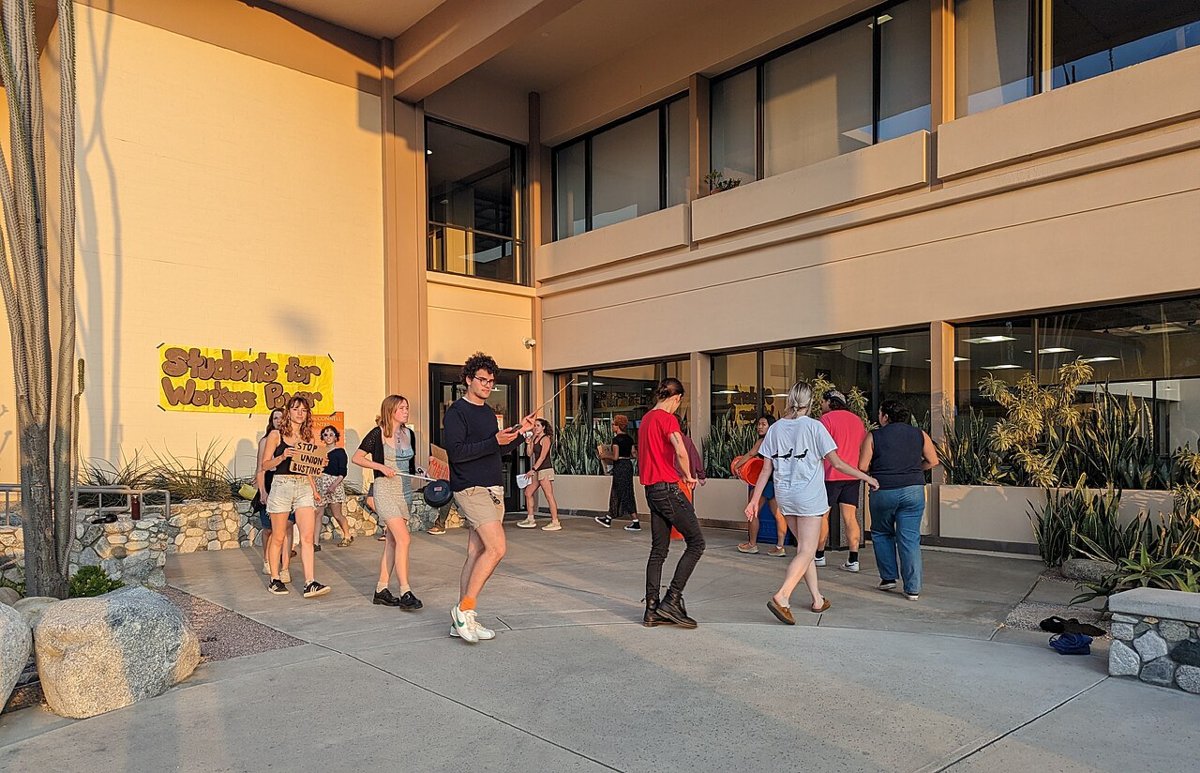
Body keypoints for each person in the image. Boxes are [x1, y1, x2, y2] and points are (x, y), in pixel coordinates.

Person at [746, 380, 878, 625]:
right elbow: (837, 463)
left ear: (790, 401)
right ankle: (783, 596)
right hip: (809, 496)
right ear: (810, 402)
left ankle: (817, 598)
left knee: (804, 550)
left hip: (785, 495)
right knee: (808, 550)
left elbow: (765, 470)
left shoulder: (775, 429)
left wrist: (754, 500)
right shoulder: (815, 427)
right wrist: (866, 477)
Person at [444, 352, 535, 644]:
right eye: (482, 380)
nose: (487, 385)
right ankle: (464, 609)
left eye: (491, 381)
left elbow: (496, 449)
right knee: (497, 549)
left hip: (493, 489)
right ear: (468, 380)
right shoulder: (457, 412)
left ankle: (463, 617)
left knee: (476, 552)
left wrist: (521, 433)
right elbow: (457, 453)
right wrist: (493, 441)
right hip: (471, 488)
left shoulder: (486, 413)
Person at [639, 378, 705, 629]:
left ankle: (651, 609)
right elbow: (680, 448)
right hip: (668, 488)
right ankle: (672, 599)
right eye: (679, 402)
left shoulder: (646, 419)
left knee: (658, 550)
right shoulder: (667, 419)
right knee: (697, 542)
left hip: (651, 491)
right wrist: (688, 476)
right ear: (676, 398)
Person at [859, 400, 939, 601]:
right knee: (909, 538)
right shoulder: (920, 434)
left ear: (885, 416)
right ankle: (913, 589)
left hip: (883, 489)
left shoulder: (874, 435)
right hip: (913, 490)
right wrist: (914, 470)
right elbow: (933, 461)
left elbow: (862, 466)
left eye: (880, 413)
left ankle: (888, 578)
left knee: (881, 532)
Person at [353, 395, 423, 610]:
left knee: (393, 542)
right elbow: (357, 457)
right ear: (390, 410)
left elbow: (410, 465)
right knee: (404, 539)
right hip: (384, 489)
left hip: (404, 491)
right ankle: (405, 591)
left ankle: (381, 589)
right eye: (401, 408)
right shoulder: (378, 433)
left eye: (407, 407)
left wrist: (420, 472)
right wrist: (381, 467)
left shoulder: (409, 434)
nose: (406, 411)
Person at [260, 395, 330, 598]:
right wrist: (282, 456)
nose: (300, 413)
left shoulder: (308, 438)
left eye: (303, 410)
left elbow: (308, 468)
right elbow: (265, 464)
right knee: (278, 535)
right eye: (296, 409)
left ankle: (310, 582)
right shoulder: (276, 435)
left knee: (307, 536)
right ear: (288, 411)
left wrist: (315, 484)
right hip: (282, 484)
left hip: (303, 487)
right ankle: (275, 578)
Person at [817, 390, 868, 572]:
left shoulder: (826, 420)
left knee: (823, 515)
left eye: (823, 401)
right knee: (850, 517)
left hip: (830, 474)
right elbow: (862, 445)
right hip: (852, 475)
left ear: (830, 402)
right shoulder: (857, 420)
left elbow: (819, 446)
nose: (821, 404)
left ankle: (819, 555)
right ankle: (853, 559)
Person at [733, 415, 787, 557]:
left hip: (764, 482)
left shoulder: (763, 441)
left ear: (771, 426)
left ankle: (752, 544)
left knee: (752, 511)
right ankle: (780, 546)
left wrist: (736, 466)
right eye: (759, 424)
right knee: (778, 514)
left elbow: (751, 454)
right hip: (777, 480)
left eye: (763, 424)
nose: (759, 427)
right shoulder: (781, 440)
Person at [252, 408, 292, 582]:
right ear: (271, 421)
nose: (278, 420)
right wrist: (262, 491)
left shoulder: (291, 438)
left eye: (281, 417)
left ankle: (285, 567)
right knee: (268, 529)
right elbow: (261, 467)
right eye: (275, 418)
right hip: (269, 483)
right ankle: (267, 559)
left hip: (287, 485)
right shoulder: (266, 440)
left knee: (287, 527)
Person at [595, 414, 640, 530]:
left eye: (613, 424)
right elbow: (634, 454)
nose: (612, 427)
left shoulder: (616, 439)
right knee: (627, 491)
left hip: (620, 467)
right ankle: (612, 518)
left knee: (617, 491)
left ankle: (610, 518)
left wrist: (604, 455)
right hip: (628, 466)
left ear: (617, 426)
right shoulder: (629, 438)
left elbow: (615, 456)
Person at [518, 419, 563, 531]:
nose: (535, 427)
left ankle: (555, 521)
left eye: (538, 425)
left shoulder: (545, 439)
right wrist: (528, 443)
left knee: (548, 495)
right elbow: (529, 454)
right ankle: (530, 519)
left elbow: (543, 457)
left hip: (545, 469)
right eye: (534, 425)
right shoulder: (535, 438)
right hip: (537, 470)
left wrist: (533, 469)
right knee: (528, 492)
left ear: (543, 427)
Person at [315, 425, 353, 548]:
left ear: (336, 437)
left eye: (331, 434)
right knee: (318, 513)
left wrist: (334, 485)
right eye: (325, 435)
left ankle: (347, 535)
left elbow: (343, 472)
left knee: (337, 514)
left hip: (334, 484)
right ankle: (315, 542)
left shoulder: (340, 452)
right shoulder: (320, 452)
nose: (328, 437)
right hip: (320, 484)